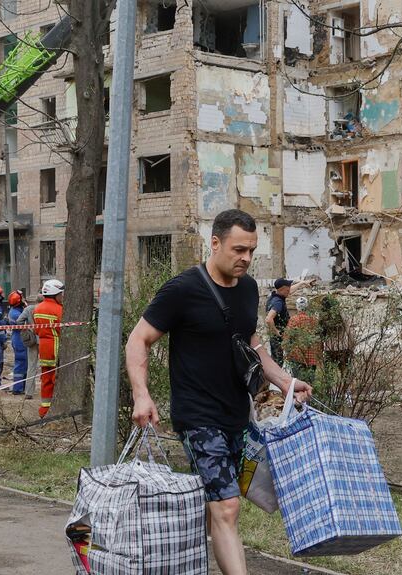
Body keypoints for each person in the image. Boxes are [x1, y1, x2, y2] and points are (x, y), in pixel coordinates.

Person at [126, 209, 312, 575]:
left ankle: (174, 560)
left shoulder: (248, 289)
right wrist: (141, 394)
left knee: (214, 505)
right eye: (238, 249)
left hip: (237, 415)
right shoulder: (182, 290)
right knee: (227, 506)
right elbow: (138, 339)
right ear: (215, 243)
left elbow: (251, 343)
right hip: (198, 416)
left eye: (251, 250)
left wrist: (285, 381)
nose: (246, 258)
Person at [265, 276, 313, 366]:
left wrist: (302, 283)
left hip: (275, 337)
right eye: (287, 290)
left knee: (277, 360)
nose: (289, 291)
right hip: (279, 337)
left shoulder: (273, 296)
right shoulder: (278, 303)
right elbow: (268, 319)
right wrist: (276, 332)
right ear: (282, 289)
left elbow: (290, 291)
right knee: (278, 362)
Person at [34, 279, 65, 418]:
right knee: (56, 378)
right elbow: (63, 330)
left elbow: (36, 330)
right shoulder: (59, 310)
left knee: (45, 379)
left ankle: (44, 409)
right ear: (55, 294)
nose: (62, 297)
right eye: (61, 294)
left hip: (43, 349)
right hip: (55, 347)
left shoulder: (37, 308)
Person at [284, 296, 321, 383]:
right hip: (312, 355)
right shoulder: (314, 320)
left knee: (297, 382)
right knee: (310, 382)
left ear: (297, 307)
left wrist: (286, 351)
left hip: (297, 355)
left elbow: (287, 336)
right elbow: (318, 336)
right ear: (307, 306)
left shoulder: (294, 319)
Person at [17, 296, 42, 399]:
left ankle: (29, 392)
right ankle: (47, 390)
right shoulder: (45, 309)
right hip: (44, 339)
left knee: (31, 366)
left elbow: (19, 321)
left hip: (32, 340)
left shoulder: (29, 309)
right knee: (47, 366)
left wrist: (26, 331)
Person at [7, 290, 27, 395]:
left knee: (23, 364)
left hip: (19, 338)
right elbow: (25, 323)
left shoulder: (15, 311)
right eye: (22, 298)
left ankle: (22, 386)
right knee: (20, 364)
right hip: (19, 340)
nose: (24, 299)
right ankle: (18, 388)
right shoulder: (16, 314)